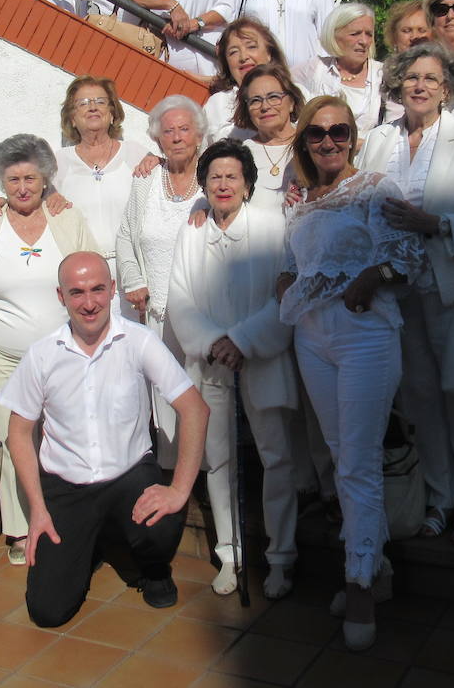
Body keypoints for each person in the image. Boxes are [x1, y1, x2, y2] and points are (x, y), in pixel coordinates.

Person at [279, 96, 425, 649]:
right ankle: (376, 569)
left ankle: (359, 582)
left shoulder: (376, 187)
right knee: (343, 459)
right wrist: (282, 283)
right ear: (305, 144)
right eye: (317, 134)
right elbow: (293, 266)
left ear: (353, 137)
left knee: (359, 464)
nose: (328, 141)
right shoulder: (299, 205)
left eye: (338, 131)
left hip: (365, 333)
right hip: (311, 337)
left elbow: (408, 256)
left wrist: (372, 276)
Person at [0, 252, 210, 627]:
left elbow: (194, 409)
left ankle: (154, 567)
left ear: (113, 290)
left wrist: (179, 490)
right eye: (77, 292)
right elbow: (18, 433)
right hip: (67, 487)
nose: (89, 302)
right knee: (47, 611)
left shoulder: (139, 341)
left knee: (162, 524)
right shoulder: (42, 355)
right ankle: (91, 540)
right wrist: (37, 509)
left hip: (129, 476)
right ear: (61, 297)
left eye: (98, 289)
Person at [359, 43, 454, 547]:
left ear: (447, 87)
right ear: (398, 85)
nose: (419, 86)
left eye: (431, 78)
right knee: (421, 398)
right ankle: (440, 498)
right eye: (411, 77)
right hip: (396, 292)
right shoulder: (379, 141)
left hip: (453, 287)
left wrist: (435, 223)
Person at [0, 135, 100, 565]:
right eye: (13, 179)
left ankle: (69, 520)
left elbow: (91, 279)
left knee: (67, 440)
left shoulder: (66, 218)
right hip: (4, 360)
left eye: (30, 178)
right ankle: (20, 529)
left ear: (45, 180)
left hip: (64, 358)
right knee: (14, 442)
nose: (21, 187)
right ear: (1, 182)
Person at [168, 140, 298, 599]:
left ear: (247, 184)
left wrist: (242, 340)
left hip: (260, 358)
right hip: (212, 365)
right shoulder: (192, 231)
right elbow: (179, 298)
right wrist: (212, 343)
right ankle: (230, 552)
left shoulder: (272, 227)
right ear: (203, 184)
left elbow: (284, 294)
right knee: (217, 458)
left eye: (232, 176)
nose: (223, 184)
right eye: (214, 177)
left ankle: (281, 557)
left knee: (276, 457)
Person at [116, 96, 207, 464]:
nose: (177, 137)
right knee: (165, 397)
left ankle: (207, 476)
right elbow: (125, 236)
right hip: (156, 313)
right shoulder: (146, 178)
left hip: (203, 311)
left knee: (203, 396)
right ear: (157, 140)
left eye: (185, 128)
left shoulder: (213, 175)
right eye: (168, 131)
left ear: (199, 134)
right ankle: (171, 474)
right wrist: (133, 279)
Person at [52, 76, 154, 285]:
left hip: (134, 273)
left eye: (100, 101)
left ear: (112, 114)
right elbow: (29, 202)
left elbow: (173, 183)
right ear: (72, 118)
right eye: (83, 103)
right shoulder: (58, 162)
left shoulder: (135, 153)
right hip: (83, 278)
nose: (92, 108)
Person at [295, 3, 389, 134]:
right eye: (355, 34)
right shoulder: (316, 69)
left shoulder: (382, 74)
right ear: (334, 35)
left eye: (368, 34)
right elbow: (280, 84)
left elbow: (394, 128)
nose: (364, 41)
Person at [203, 17, 293, 144]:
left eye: (251, 47)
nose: (243, 57)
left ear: (269, 53)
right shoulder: (216, 105)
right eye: (233, 52)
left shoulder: (296, 92)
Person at [232, 64, 305, 208]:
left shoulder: (311, 144)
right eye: (255, 101)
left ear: (291, 103)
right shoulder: (241, 154)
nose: (265, 107)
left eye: (273, 97)